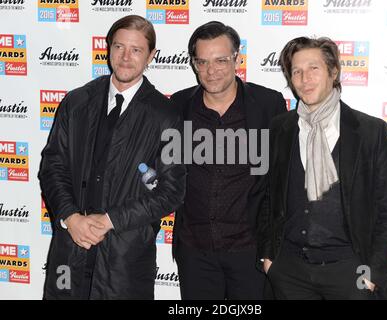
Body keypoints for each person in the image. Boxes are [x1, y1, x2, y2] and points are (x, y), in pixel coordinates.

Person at [39, 15, 186, 299]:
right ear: (108, 48)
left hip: (125, 262)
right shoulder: (76, 102)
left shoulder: (167, 116)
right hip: (69, 253)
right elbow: (52, 167)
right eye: (119, 47)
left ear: (151, 56)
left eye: (136, 50)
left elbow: (171, 191)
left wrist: (110, 220)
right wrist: (70, 217)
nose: (125, 57)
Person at [258, 36, 387, 300]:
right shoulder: (279, 129)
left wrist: (372, 275)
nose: (305, 78)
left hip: (351, 271)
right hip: (290, 272)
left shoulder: (370, 132)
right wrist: (270, 259)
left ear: (333, 71)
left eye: (314, 68)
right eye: (297, 71)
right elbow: (268, 199)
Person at [170, 21, 286, 300]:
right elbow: (164, 169)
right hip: (194, 251)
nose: (212, 71)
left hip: (251, 251)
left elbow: (280, 180)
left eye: (221, 60)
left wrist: (272, 246)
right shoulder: (178, 105)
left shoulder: (268, 104)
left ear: (237, 58)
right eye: (203, 62)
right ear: (194, 64)